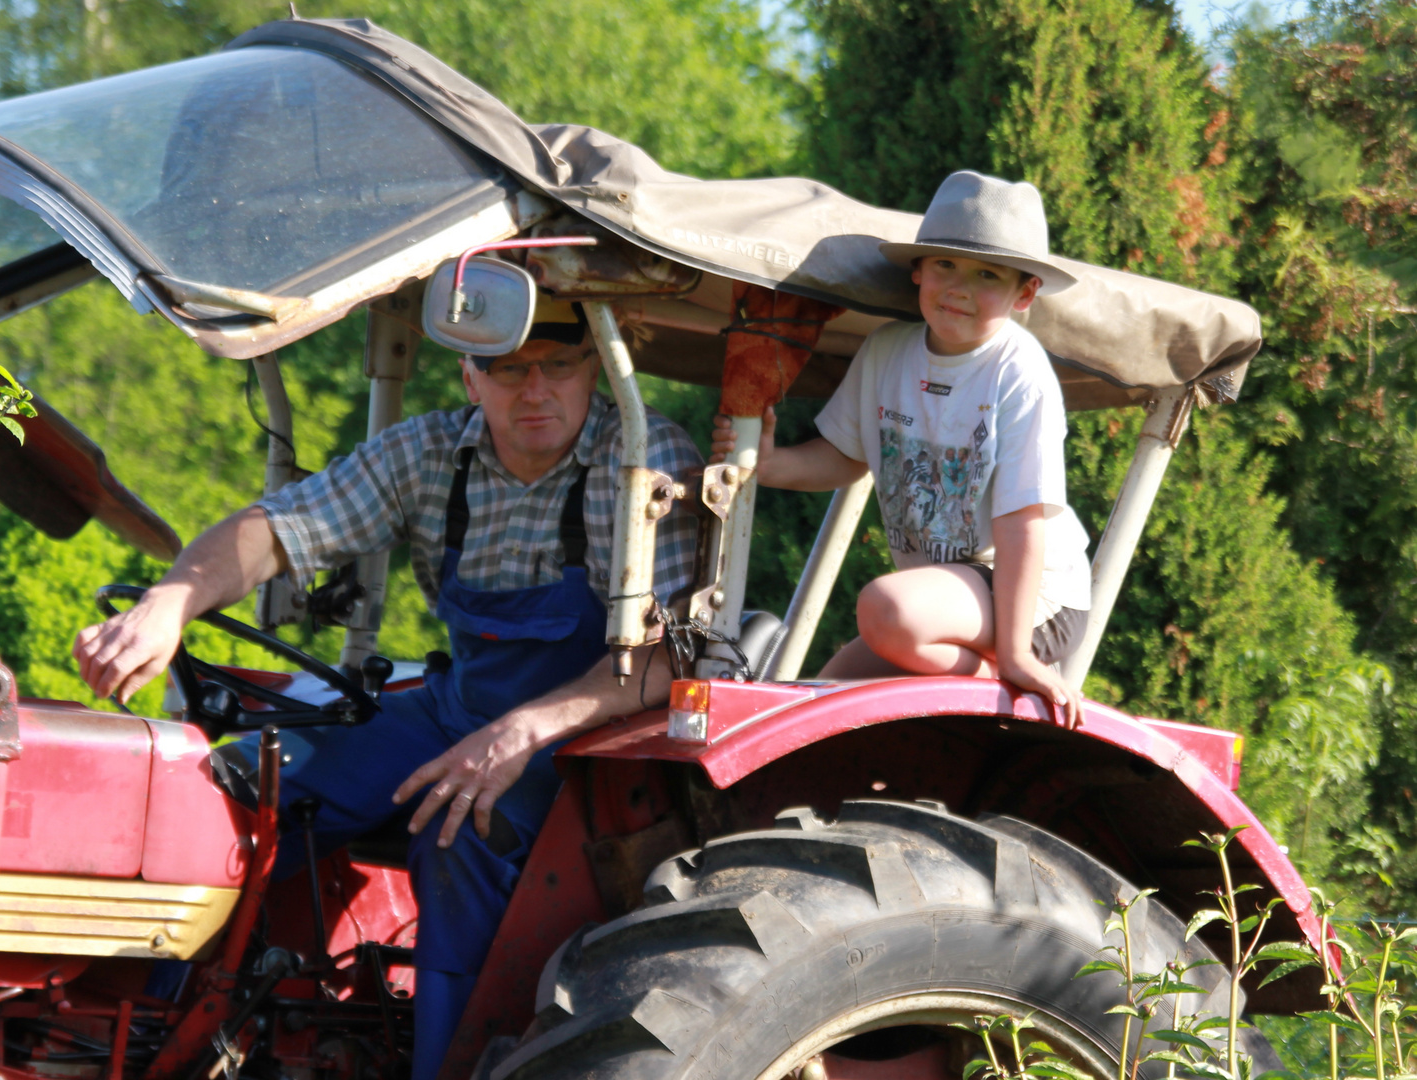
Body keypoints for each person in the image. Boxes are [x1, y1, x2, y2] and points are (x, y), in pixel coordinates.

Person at [72, 302, 701, 1080]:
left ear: (595, 371)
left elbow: (669, 657)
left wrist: (518, 733)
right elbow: (279, 527)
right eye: (510, 367)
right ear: (472, 376)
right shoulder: (433, 453)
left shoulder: (642, 460)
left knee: (458, 828)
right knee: (240, 786)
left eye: (559, 365)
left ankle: (448, 1066)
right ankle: (141, 1036)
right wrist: (170, 602)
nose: (536, 388)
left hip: (590, 734)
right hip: (457, 712)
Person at [712, 170, 1092, 726]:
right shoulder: (887, 352)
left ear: (1025, 292)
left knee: (885, 609)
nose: (958, 287)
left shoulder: (1018, 370)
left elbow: (1022, 521)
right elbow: (848, 455)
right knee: (818, 702)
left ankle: (997, 685)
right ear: (918, 269)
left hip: (1031, 595)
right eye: (945, 265)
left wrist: (1014, 653)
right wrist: (771, 464)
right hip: (945, 597)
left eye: (986, 273)